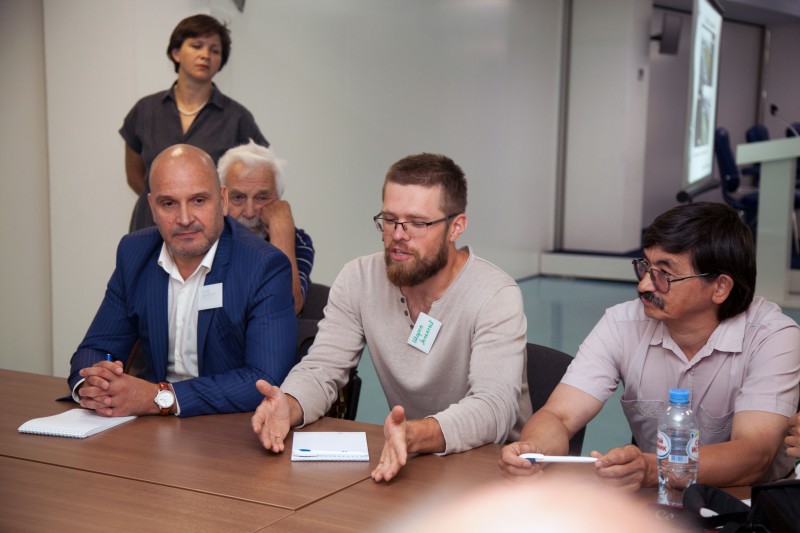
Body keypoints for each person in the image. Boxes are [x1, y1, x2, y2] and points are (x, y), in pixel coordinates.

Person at [251, 153, 530, 482]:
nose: (398, 234)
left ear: (456, 227)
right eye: (389, 219)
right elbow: (323, 368)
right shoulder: (359, 278)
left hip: (494, 470)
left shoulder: (495, 294)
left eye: (417, 223)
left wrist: (417, 434)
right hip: (413, 461)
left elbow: (494, 407)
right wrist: (291, 403)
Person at [499, 202, 800, 487]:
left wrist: (655, 469)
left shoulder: (772, 337)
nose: (643, 285)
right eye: (645, 267)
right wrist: (532, 450)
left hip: (749, 502)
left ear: (720, 287)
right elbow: (559, 416)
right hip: (655, 498)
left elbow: (753, 455)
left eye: (664, 275)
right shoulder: (622, 324)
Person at [68, 144, 296, 417]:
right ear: (152, 208)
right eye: (169, 204)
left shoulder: (263, 265)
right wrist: (94, 385)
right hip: (150, 427)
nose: (185, 219)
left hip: (229, 426)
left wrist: (159, 397)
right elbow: (96, 347)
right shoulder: (134, 253)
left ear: (222, 200)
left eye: (198, 200)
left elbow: (264, 378)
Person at [121, 14, 268, 232]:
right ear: (176, 52)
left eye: (215, 50)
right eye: (196, 46)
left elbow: (261, 178)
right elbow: (134, 175)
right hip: (149, 227)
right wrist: (167, 206)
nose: (205, 55)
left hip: (210, 231)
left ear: (221, 61)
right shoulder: (145, 110)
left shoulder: (238, 117)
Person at [218, 140, 314, 314]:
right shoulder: (206, 237)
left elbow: (289, 307)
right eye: (238, 197)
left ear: (278, 200)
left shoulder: (297, 241)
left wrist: (281, 232)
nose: (249, 212)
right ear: (222, 200)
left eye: (261, 198)